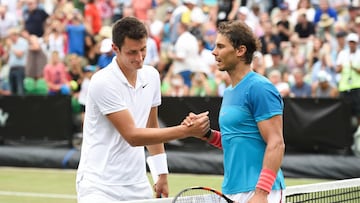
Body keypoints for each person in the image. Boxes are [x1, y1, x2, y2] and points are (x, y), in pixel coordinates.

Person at [76, 16, 209, 202]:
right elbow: (133, 136)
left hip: (137, 183)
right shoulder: (102, 82)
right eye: (132, 52)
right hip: (99, 186)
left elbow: (151, 125)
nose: (139, 58)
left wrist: (161, 174)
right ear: (115, 49)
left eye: (143, 49)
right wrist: (185, 131)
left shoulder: (152, 76)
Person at [184, 20, 286, 203]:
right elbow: (236, 140)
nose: (214, 52)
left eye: (221, 46)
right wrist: (206, 134)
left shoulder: (260, 88)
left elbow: (276, 143)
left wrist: (261, 193)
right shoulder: (230, 91)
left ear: (240, 51)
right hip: (232, 191)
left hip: (260, 192)